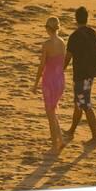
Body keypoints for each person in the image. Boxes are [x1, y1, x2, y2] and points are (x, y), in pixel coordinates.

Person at [64, 6, 96, 146]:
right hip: (91, 74)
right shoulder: (94, 34)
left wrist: (59, 72)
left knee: (85, 105)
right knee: (78, 103)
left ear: (76, 19)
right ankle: (71, 131)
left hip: (80, 75)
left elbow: (67, 58)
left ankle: (95, 137)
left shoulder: (74, 37)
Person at [32, 16, 66, 153]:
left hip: (49, 80)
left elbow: (42, 66)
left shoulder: (46, 44)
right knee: (53, 111)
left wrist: (35, 83)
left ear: (47, 28)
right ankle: (61, 139)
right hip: (60, 80)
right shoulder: (62, 42)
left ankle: (54, 145)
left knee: (50, 113)